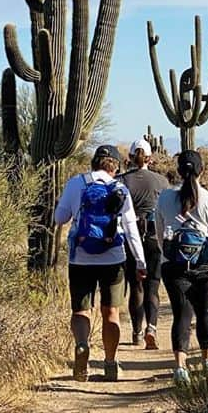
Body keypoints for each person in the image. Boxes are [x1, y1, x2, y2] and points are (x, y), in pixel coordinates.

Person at [54, 144, 146, 382]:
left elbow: (59, 218)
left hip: (81, 257)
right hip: (113, 258)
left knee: (81, 310)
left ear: (94, 163)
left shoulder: (76, 183)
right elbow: (131, 228)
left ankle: (82, 345)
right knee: (111, 312)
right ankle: (110, 362)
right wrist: (140, 260)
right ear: (115, 167)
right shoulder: (119, 188)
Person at [155, 149, 208, 386]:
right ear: (203, 170)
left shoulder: (165, 198)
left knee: (181, 314)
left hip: (174, 266)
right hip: (205, 266)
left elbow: (159, 233)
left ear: (178, 171)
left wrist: (166, 255)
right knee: (205, 312)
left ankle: (180, 368)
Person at [117, 138, 167, 348]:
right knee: (153, 286)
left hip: (131, 238)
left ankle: (136, 332)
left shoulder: (121, 181)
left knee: (135, 286)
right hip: (155, 238)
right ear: (149, 158)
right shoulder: (161, 181)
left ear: (130, 157)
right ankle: (151, 328)